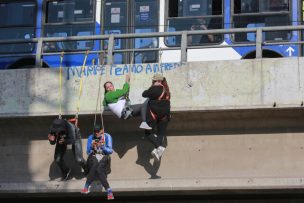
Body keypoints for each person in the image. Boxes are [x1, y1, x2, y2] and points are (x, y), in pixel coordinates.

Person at [81, 124, 114, 200]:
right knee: (95, 163)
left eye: (98, 132)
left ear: (102, 131)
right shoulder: (91, 137)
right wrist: (92, 148)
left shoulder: (107, 136)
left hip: (104, 156)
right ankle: (86, 187)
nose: (96, 134)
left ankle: (108, 190)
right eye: (95, 132)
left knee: (99, 169)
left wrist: (102, 147)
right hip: (93, 156)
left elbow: (110, 151)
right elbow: (88, 152)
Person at [142, 73, 171, 161]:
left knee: (147, 133)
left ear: (154, 80)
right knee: (160, 134)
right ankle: (158, 150)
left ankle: (159, 147)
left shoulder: (155, 88)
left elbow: (144, 94)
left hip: (154, 114)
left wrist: (153, 87)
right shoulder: (167, 90)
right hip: (165, 116)